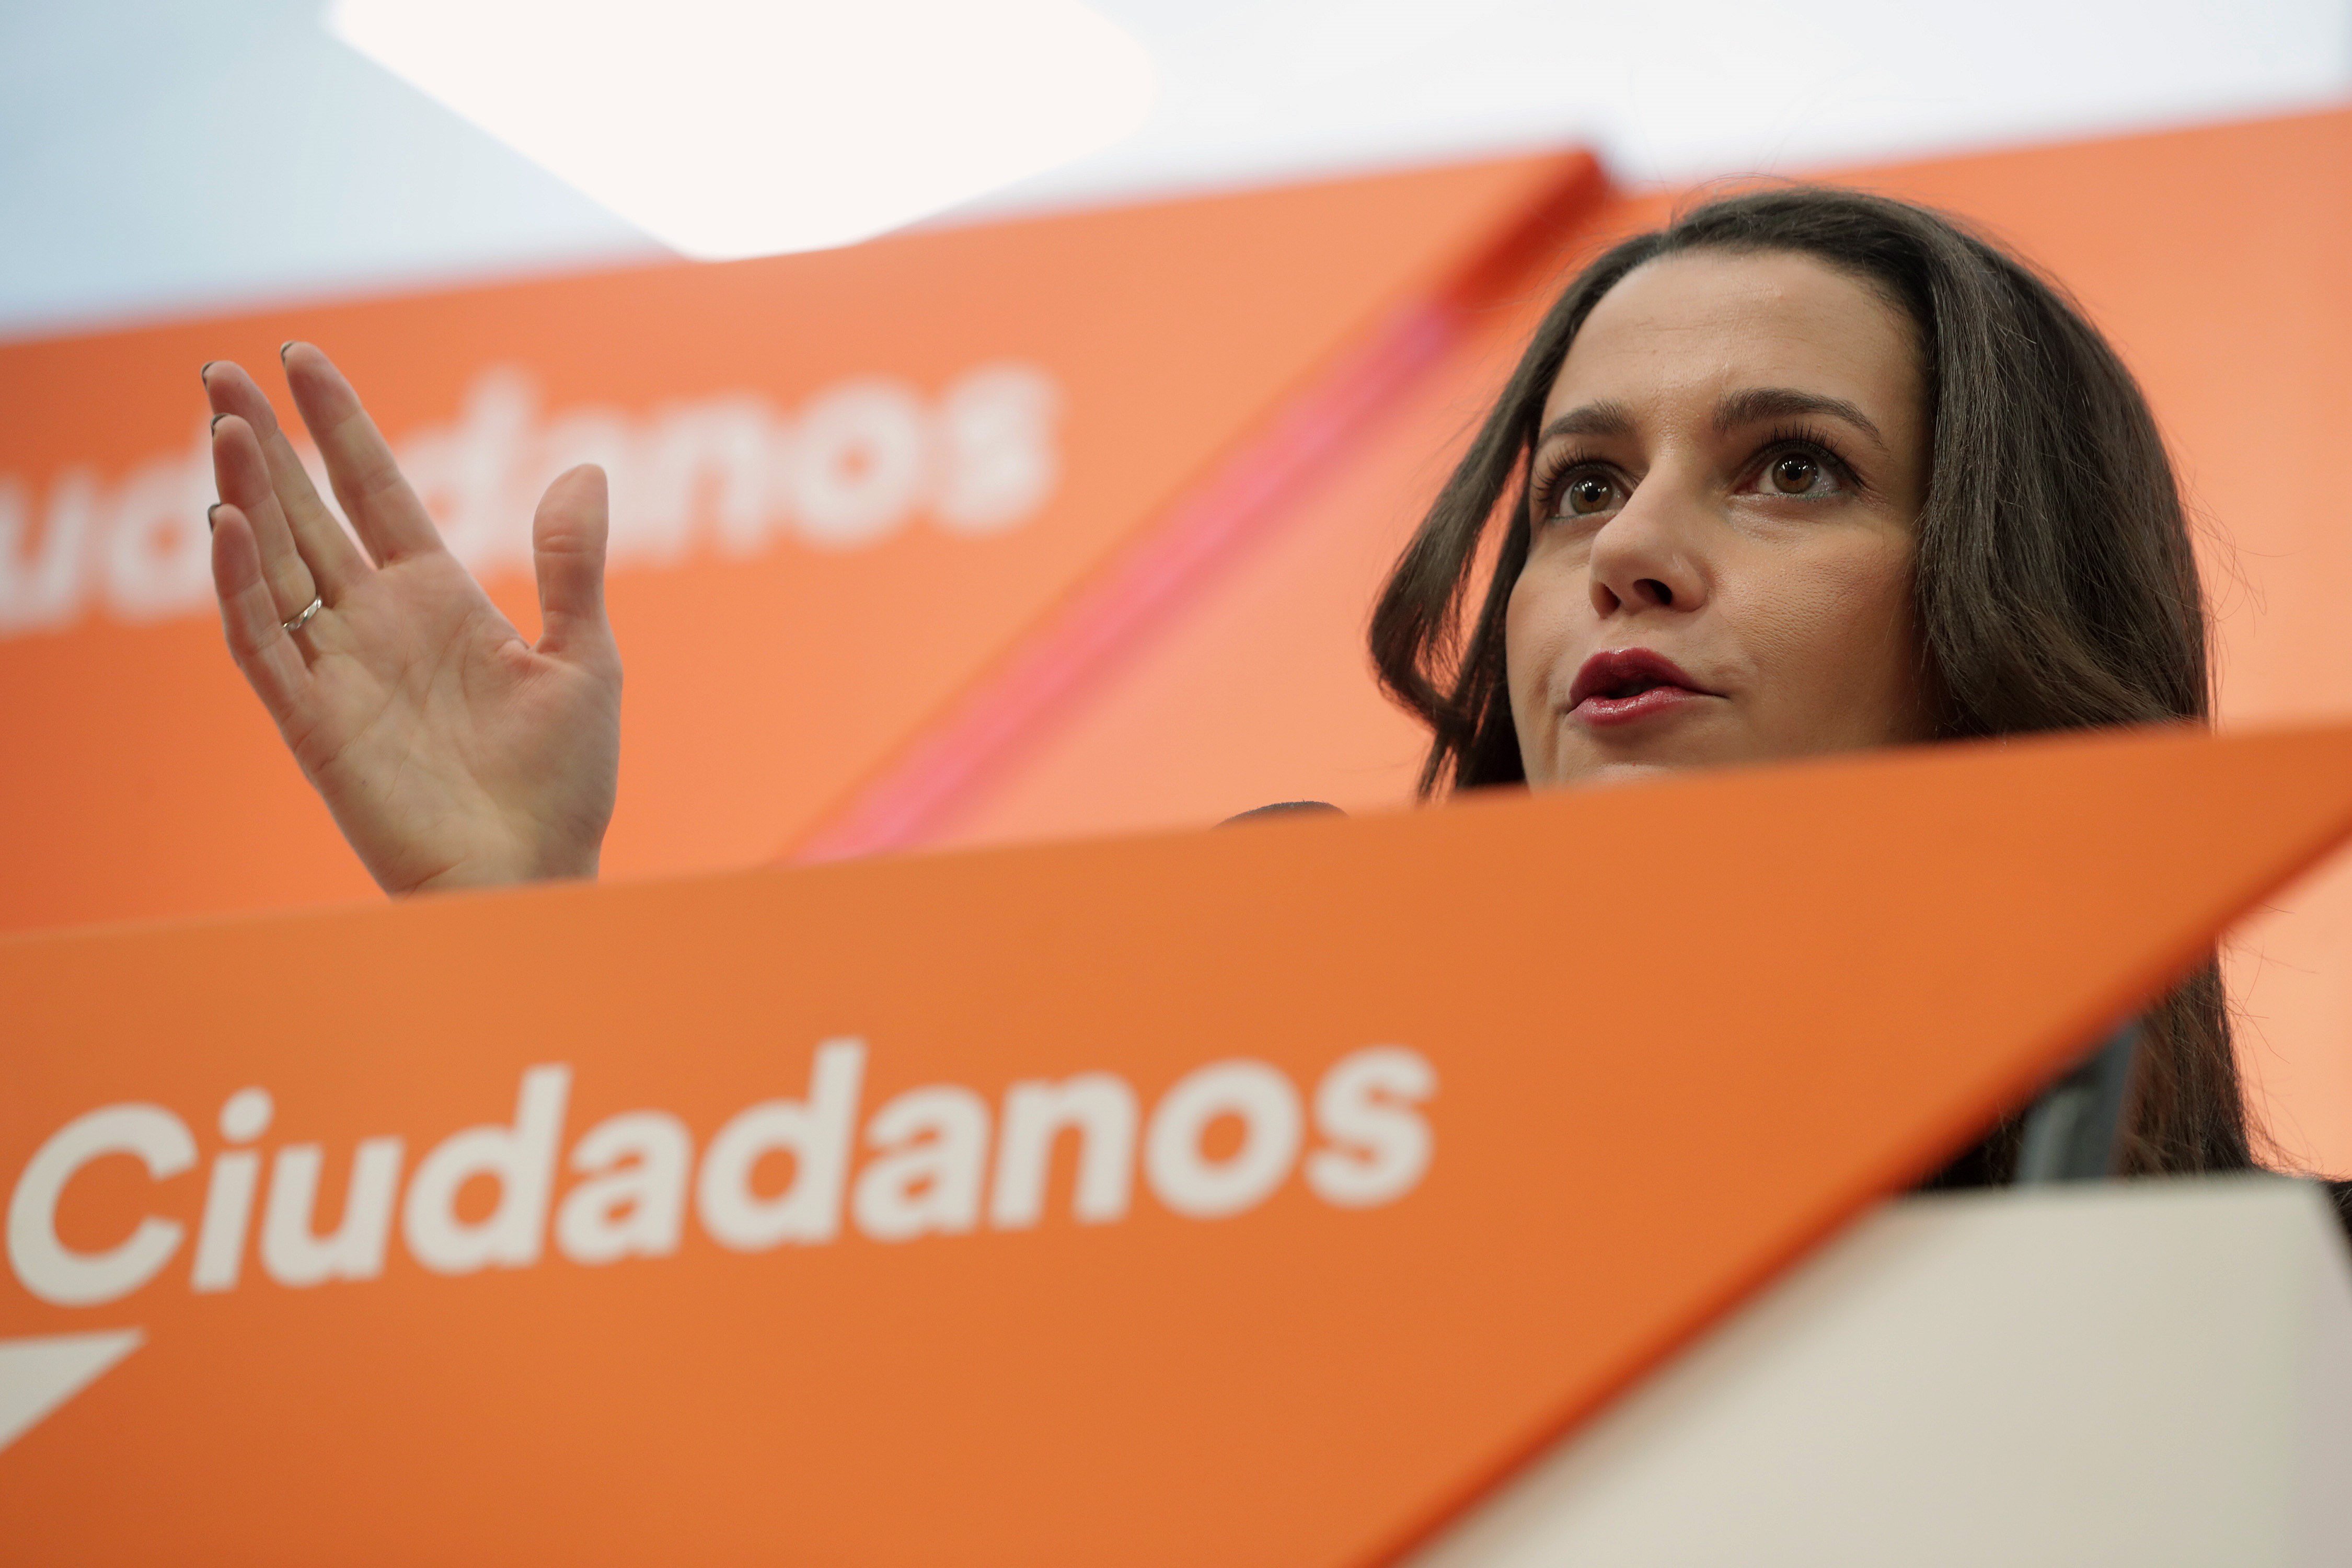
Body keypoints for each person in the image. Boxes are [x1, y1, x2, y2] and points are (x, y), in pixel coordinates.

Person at [193, 185, 2320, 1201]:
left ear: (2006, 600)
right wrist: (510, 936)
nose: (1631, 553)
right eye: (1579, 488)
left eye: (1791, 471)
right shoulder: (1221, 1191)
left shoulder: (2277, 1335)